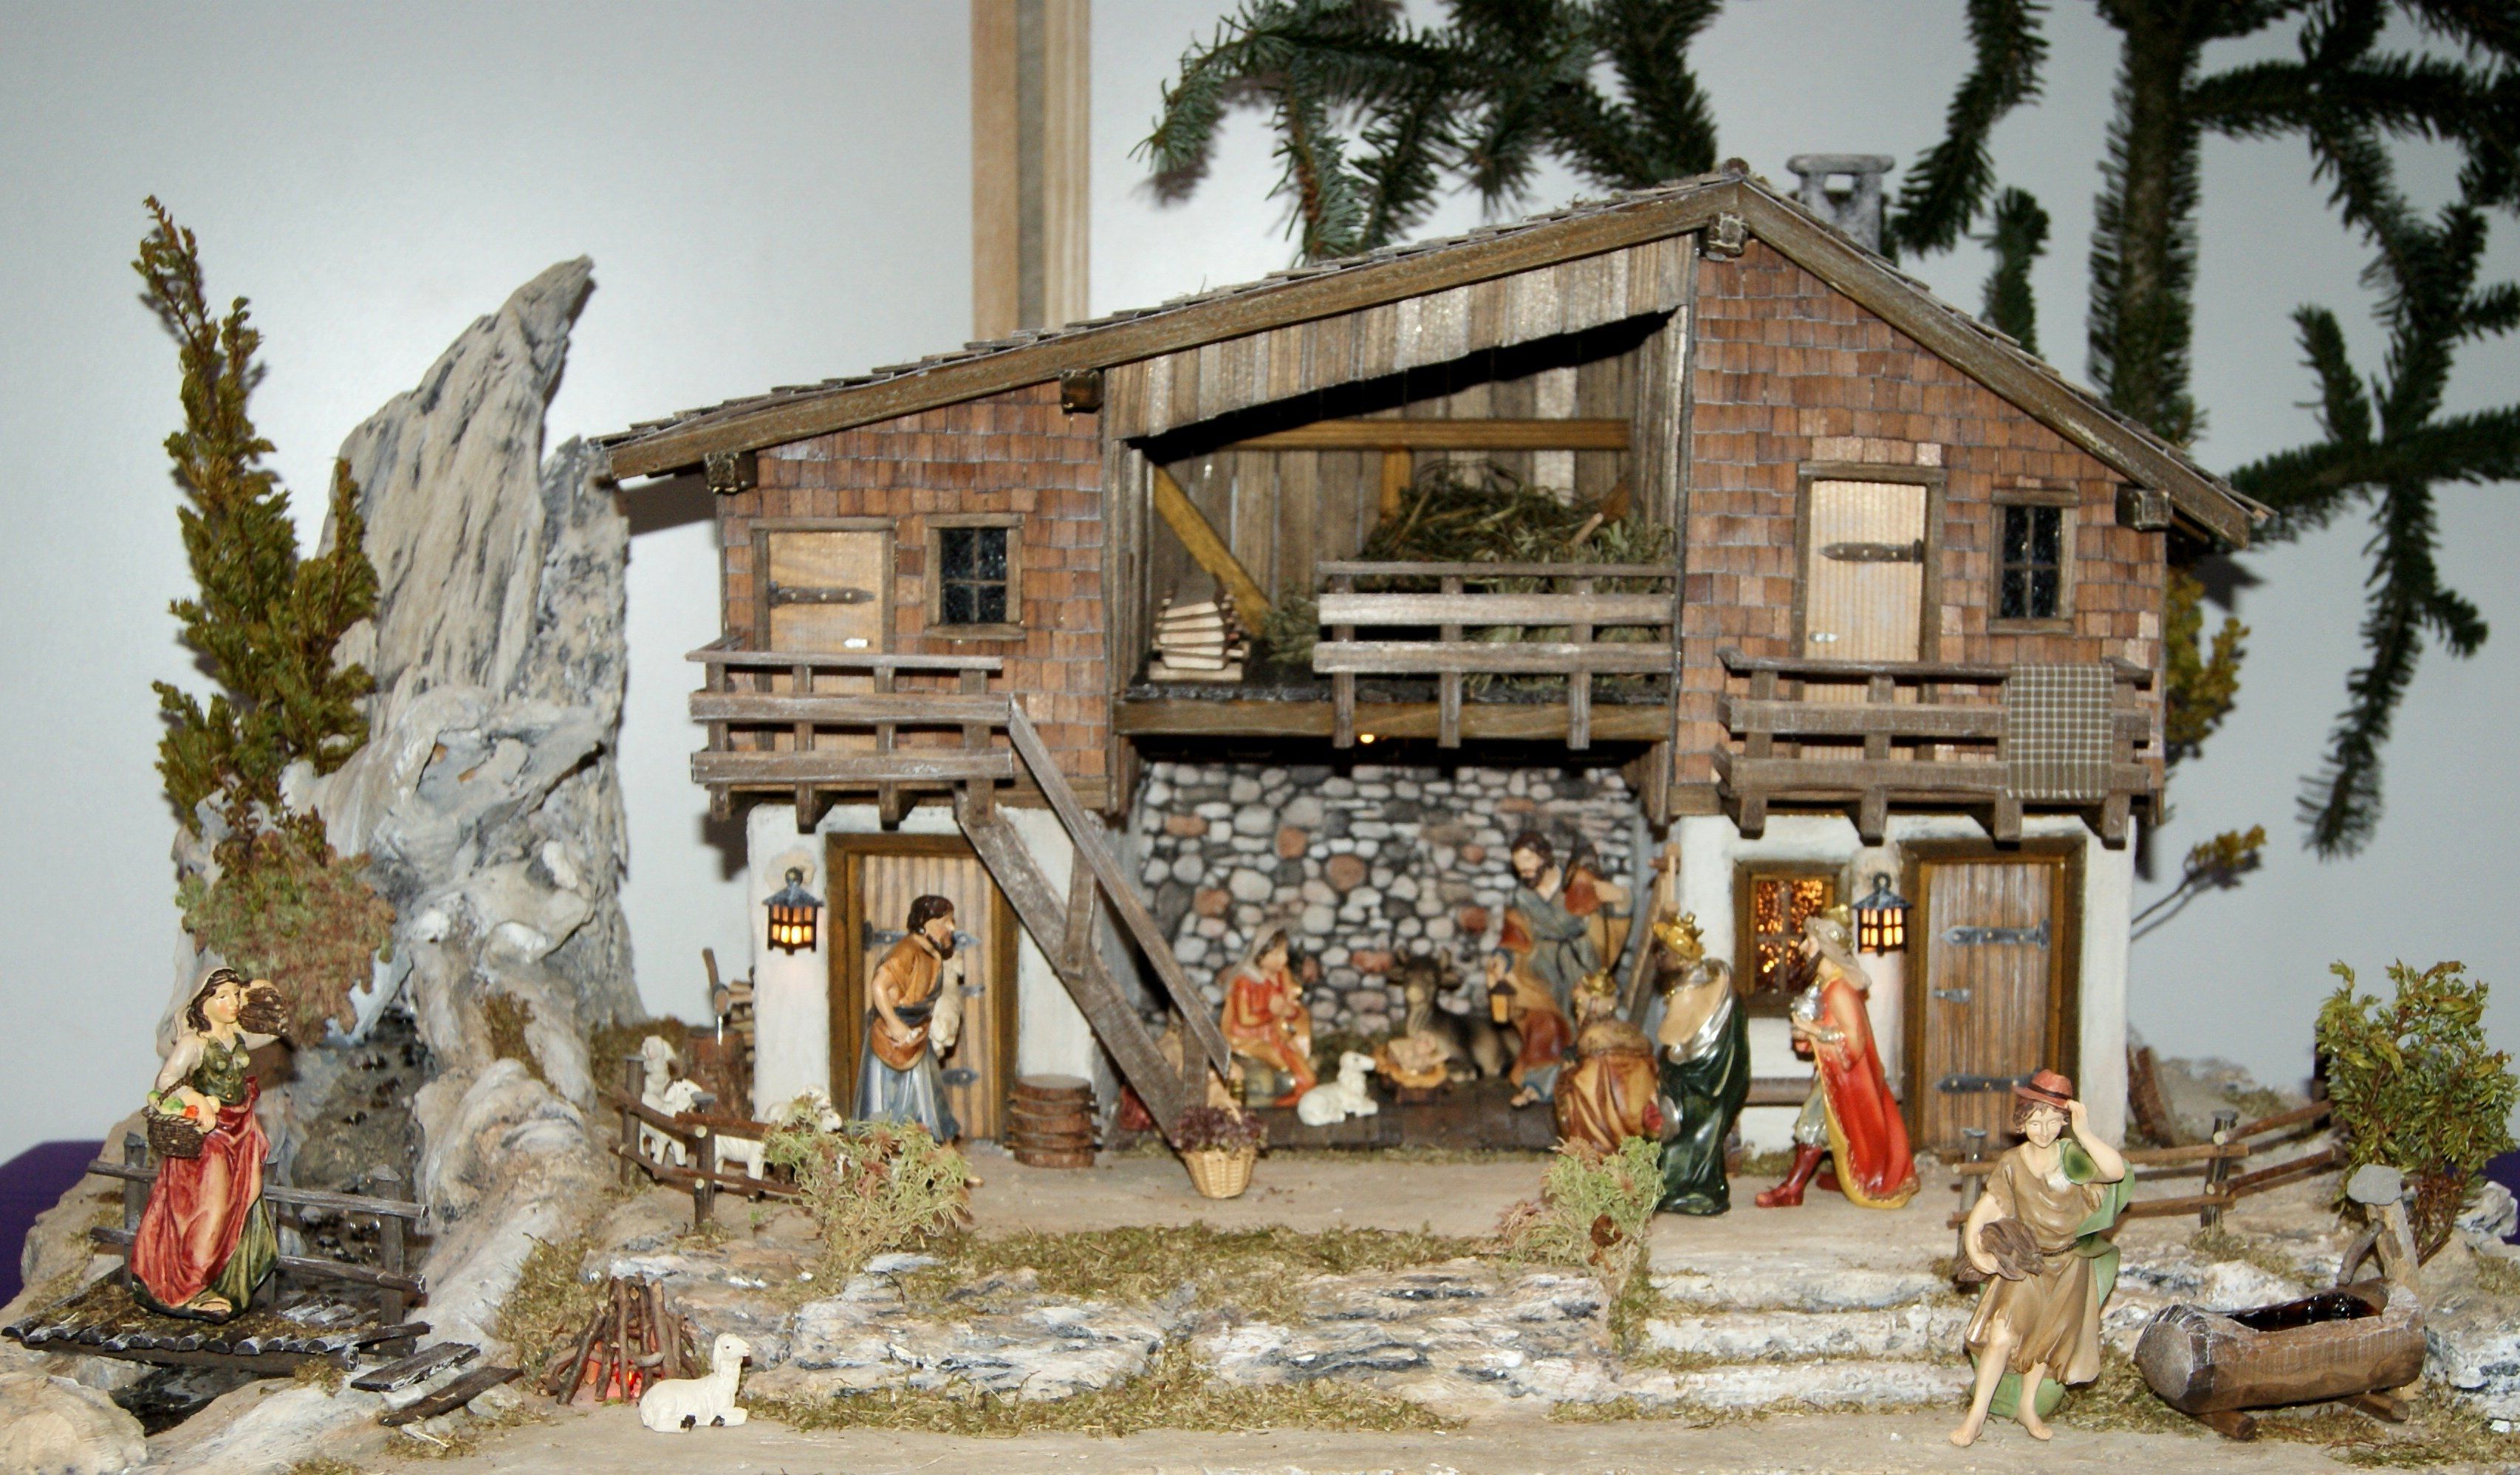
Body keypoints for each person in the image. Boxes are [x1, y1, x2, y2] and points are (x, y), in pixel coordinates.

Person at [1950, 1071, 2131, 1447]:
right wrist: (1975, 1249)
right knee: (2001, 1336)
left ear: (2064, 1120)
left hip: (2067, 1266)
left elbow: (2115, 1171)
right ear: (2022, 1122)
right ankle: (1976, 1416)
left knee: (2046, 1342)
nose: (2044, 1130)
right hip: (2028, 1264)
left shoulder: (2073, 1159)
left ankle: (2028, 1406)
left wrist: (2084, 1133)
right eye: (2035, 1122)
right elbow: (1989, 1206)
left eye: (2052, 1121)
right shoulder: (2013, 1163)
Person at [130, 968, 283, 1321]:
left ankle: (221, 1282)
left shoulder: (238, 1034)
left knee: (243, 1200)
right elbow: (167, 1079)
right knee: (211, 1208)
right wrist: (196, 1100)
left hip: (241, 1129)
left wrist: (254, 991)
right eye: (222, 996)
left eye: (235, 995)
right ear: (203, 1002)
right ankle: (189, 1288)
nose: (232, 1003)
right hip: (210, 1136)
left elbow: (275, 1026)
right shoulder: (195, 1043)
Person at [1755, 909, 1918, 1210]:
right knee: (1826, 1127)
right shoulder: (1824, 985)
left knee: (1812, 1124)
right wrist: (1807, 1033)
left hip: (1844, 1076)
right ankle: (1843, 1174)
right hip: (1831, 1072)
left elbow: (1853, 1041)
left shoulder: (1839, 990)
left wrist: (1813, 1030)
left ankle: (1793, 1188)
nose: (1803, 948)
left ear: (1826, 948)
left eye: (1810, 942)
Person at [1648, 914, 1752, 1216]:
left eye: (1665, 952)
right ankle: (1701, 1187)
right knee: (1700, 1135)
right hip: (1707, 1075)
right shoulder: (1715, 975)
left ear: (1681, 959)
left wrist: (1676, 1061)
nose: (1659, 957)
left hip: (1700, 1080)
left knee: (1692, 1137)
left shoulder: (1690, 992)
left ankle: (1693, 1191)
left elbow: (1670, 1036)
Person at [855, 894, 963, 1146]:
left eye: (952, 921)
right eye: (945, 922)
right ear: (925, 924)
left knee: (927, 1097)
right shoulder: (908, 951)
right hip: (894, 1040)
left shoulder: (930, 951)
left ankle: (930, 1152)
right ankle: (891, 1153)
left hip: (917, 1035)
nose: (951, 927)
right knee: (892, 1101)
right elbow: (879, 985)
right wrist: (895, 1024)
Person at [1552, 971, 1660, 1154]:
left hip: (1613, 1109)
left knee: (1571, 1087)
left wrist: (1568, 1075)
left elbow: (1590, 1079)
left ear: (1593, 1006)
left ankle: (1597, 1148)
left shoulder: (1593, 1037)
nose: (1578, 1014)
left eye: (1579, 1008)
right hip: (1636, 1108)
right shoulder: (1632, 1032)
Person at [1497, 832, 1598, 1015]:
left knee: (1588, 1008)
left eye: (1527, 859)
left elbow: (1602, 913)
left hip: (1579, 955)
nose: (1523, 868)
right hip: (1544, 962)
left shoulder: (1574, 880)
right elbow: (1515, 932)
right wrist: (1502, 956)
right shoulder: (1522, 895)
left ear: (1544, 856)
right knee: (1549, 1014)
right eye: (1518, 863)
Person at [1219, 928, 1314, 1104]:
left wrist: (1288, 1012)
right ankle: (1290, 1094)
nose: (1284, 959)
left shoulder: (1281, 974)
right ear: (1260, 956)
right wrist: (1272, 1013)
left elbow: (1291, 1007)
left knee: (1298, 1061)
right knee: (1281, 1061)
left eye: (1284, 952)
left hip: (1275, 1030)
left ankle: (1300, 1092)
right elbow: (1245, 1020)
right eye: (1276, 954)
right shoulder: (1244, 982)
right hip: (1248, 1035)